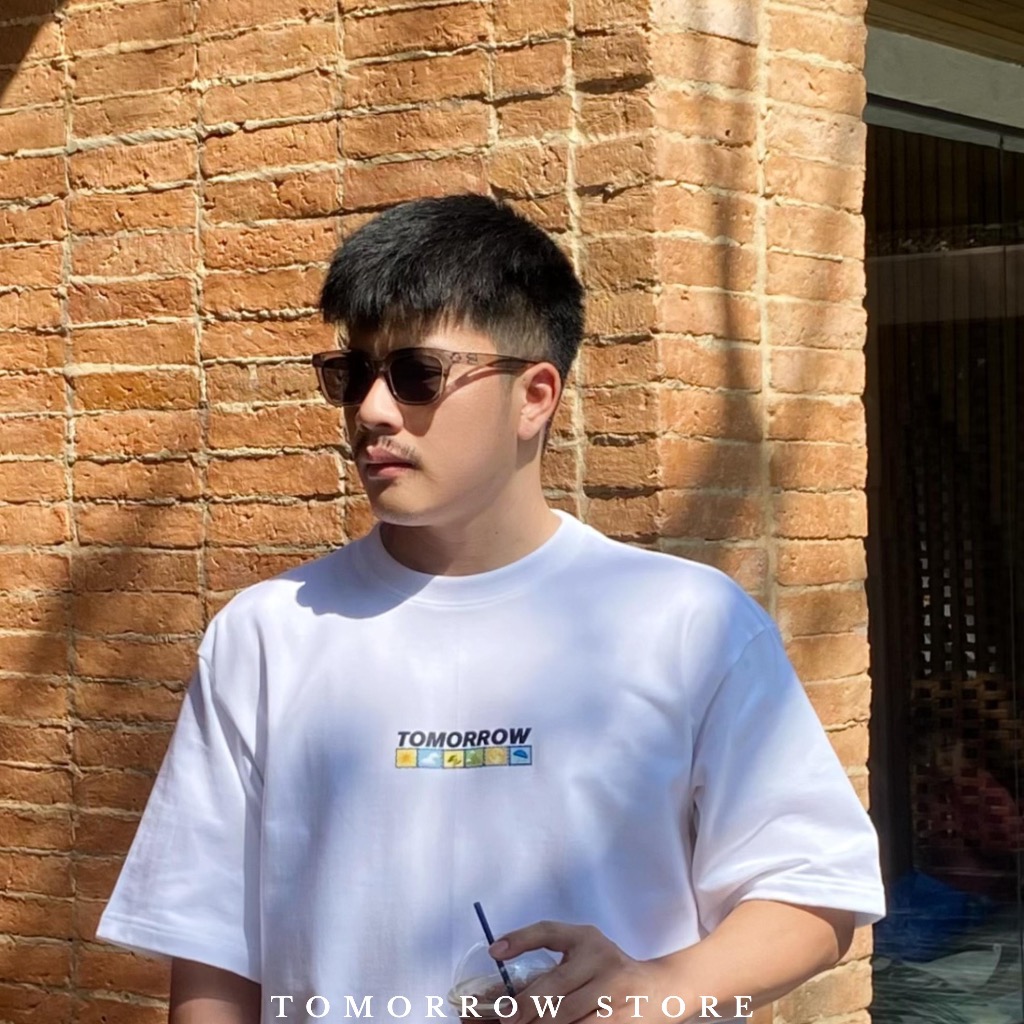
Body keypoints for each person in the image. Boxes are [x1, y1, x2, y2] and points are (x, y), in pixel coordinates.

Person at [95, 194, 886, 1024]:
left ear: (535, 394)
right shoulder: (267, 634)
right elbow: (213, 956)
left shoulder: (686, 622)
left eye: (416, 374)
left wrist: (658, 991)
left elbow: (811, 890)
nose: (372, 411)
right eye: (352, 375)